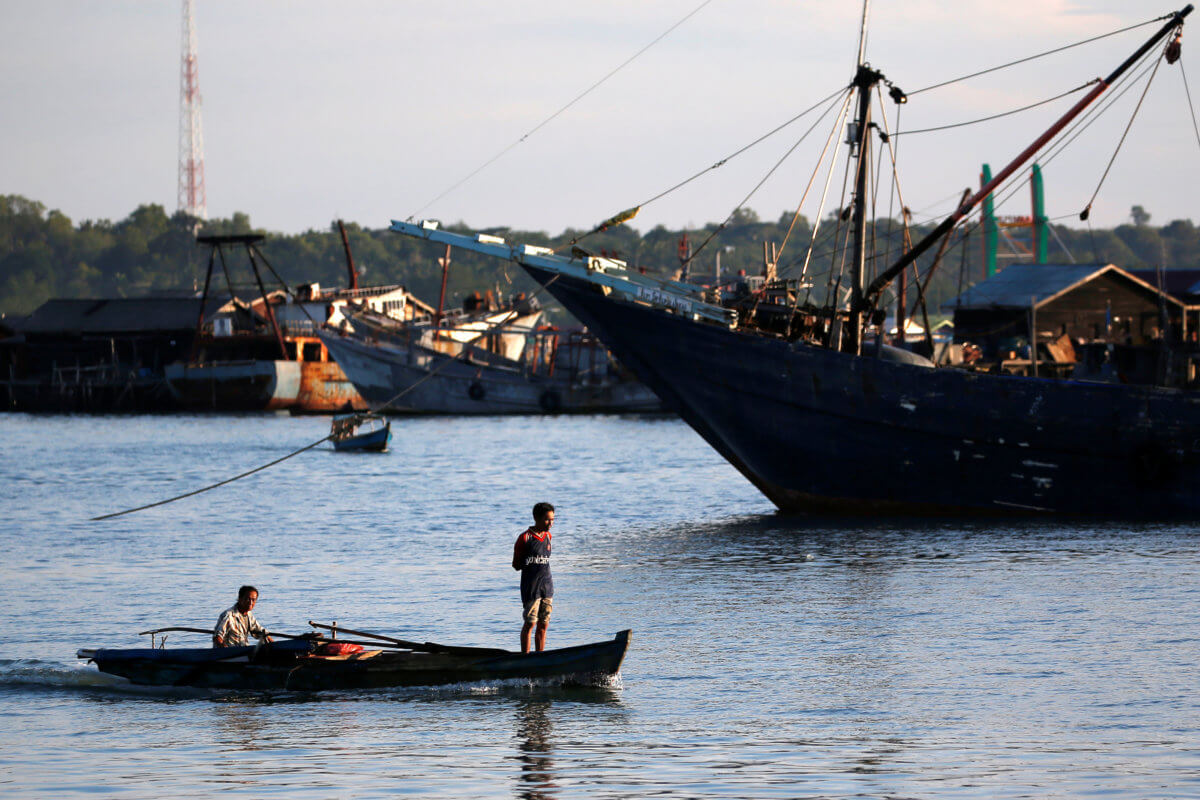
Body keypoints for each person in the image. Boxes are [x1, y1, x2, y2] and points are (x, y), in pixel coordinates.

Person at [512, 502, 555, 653]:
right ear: (536, 518)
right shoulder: (525, 538)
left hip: (547, 588)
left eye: (552, 519)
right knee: (530, 623)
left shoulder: (548, 536)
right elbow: (516, 565)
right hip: (531, 589)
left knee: (544, 625)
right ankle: (526, 658)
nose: (550, 523)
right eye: (547, 519)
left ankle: (540, 656)